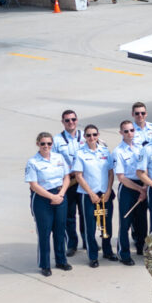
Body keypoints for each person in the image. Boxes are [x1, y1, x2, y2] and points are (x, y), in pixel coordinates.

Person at [25, 132, 71, 276]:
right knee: (44, 232)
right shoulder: (33, 162)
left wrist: (61, 194)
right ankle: (44, 264)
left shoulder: (58, 157)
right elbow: (33, 185)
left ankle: (61, 260)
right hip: (42, 198)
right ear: (38, 144)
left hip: (60, 195)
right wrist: (52, 197)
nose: (46, 146)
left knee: (60, 230)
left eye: (49, 143)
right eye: (43, 143)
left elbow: (67, 177)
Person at [72, 124, 116, 267]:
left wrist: (109, 190)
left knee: (106, 224)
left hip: (105, 194)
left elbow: (110, 172)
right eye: (88, 135)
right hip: (88, 195)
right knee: (90, 226)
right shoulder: (80, 154)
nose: (92, 138)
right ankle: (93, 256)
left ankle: (108, 251)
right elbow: (78, 176)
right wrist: (91, 193)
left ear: (98, 135)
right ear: (84, 137)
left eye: (94, 135)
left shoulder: (104, 151)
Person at [113, 121, 147, 263]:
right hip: (128, 187)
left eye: (132, 130)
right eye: (126, 131)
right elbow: (121, 177)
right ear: (121, 133)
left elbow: (146, 168)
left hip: (143, 185)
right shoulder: (118, 151)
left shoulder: (141, 148)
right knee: (125, 221)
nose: (129, 133)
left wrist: (145, 187)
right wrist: (140, 189)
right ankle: (124, 253)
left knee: (142, 220)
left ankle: (140, 246)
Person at [53, 109, 85, 257]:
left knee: (86, 213)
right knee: (69, 215)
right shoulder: (57, 140)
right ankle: (72, 244)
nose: (71, 122)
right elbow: (54, 161)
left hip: (85, 180)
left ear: (77, 120)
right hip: (69, 181)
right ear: (63, 122)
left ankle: (88, 240)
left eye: (73, 119)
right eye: (67, 120)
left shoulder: (86, 135)